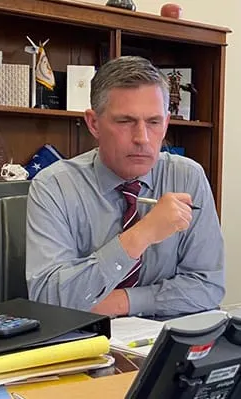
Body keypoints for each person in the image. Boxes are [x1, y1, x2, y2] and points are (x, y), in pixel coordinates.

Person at [25, 56, 225, 318]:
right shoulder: (53, 186)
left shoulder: (187, 177)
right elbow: (48, 297)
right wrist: (141, 235)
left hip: (166, 341)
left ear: (166, 123)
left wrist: (123, 302)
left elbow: (208, 286)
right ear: (93, 123)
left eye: (153, 122)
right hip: (80, 344)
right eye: (125, 122)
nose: (142, 138)